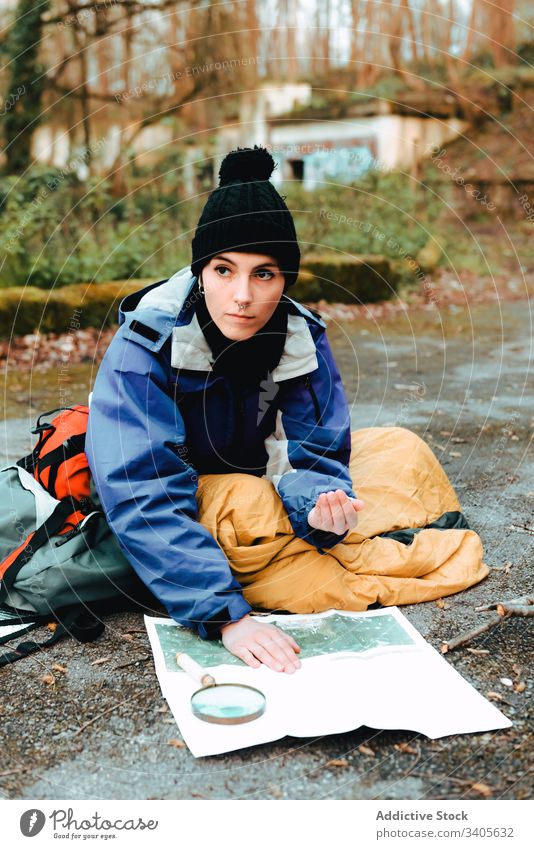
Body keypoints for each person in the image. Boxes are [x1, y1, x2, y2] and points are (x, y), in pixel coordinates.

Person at [86, 145, 364, 675]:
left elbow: (321, 451)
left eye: (264, 274)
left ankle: (276, 532)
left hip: (249, 478)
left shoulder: (302, 336)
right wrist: (226, 616)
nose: (242, 295)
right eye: (223, 270)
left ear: (285, 281)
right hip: (173, 493)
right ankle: (223, 564)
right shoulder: (145, 345)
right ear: (200, 272)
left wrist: (323, 507)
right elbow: (141, 487)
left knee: (401, 451)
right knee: (248, 503)